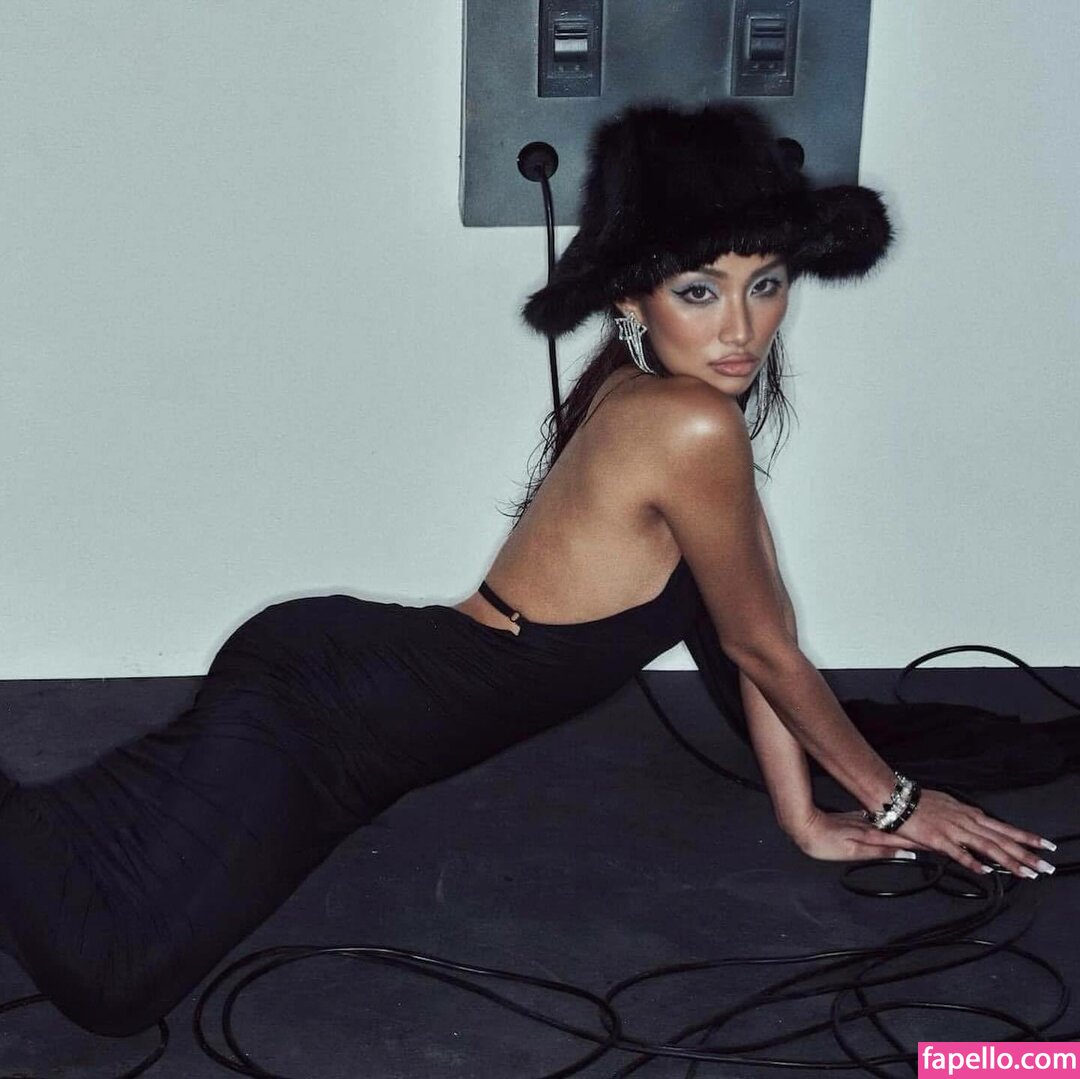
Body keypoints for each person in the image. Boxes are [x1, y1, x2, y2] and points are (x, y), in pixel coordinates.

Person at [0, 102, 1063, 1040]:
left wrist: (805, 817)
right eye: (701, 290)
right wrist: (895, 802)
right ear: (633, 299)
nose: (741, 327)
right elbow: (761, 647)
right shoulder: (687, 423)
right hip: (328, 713)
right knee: (114, 984)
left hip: (357, 699)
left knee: (92, 862)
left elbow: (753, 631)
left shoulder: (678, 411)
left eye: (766, 285)